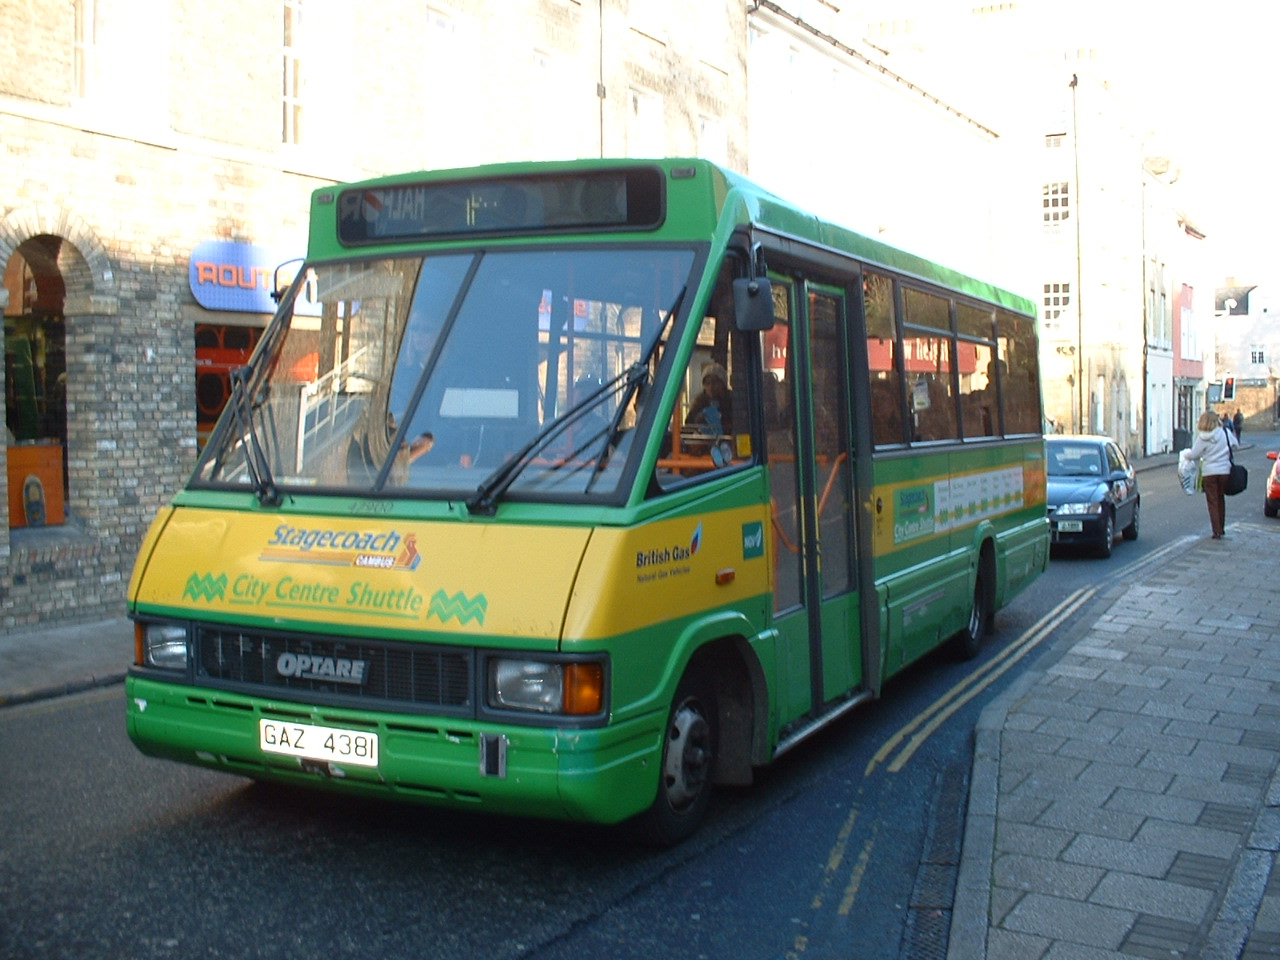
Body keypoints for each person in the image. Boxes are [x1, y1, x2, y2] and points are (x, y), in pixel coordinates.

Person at [1185, 408, 1238, 539]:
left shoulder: (1202, 438)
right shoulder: (1225, 432)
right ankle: (1222, 527)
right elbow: (1235, 444)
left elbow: (1193, 454)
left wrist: (1186, 455)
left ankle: (1216, 531)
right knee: (1220, 499)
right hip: (1224, 471)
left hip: (1209, 473)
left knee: (1212, 502)